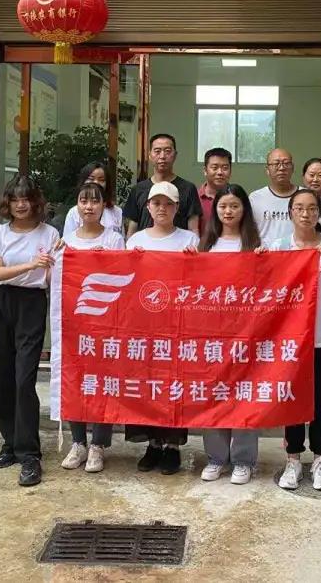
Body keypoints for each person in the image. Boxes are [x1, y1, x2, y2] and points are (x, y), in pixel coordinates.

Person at [272, 188, 321, 492]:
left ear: (319, 212)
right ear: (290, 212)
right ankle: (293, 458)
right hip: (290, 340)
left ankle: (319, 459)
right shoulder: (279, 246)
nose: (306, 214)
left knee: (320, 402)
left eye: (312, 208)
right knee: (292, 398)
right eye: (300, 208)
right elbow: (269, 291)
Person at [0, 175, 59, 487]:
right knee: (3, 376)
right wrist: (32, 264)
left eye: (26, 199)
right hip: (3, 301)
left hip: (32, 303)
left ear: (35, 202)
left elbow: (52, 276)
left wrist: (55, 263)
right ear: (7, 203)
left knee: (25, 378)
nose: (20, 204)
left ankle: (30, 453)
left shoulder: (50, 233)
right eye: (15, 199)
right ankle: (10, 443)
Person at [125, 181, 199, 474]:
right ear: (148, 207)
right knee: (147, 383)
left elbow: (199, 281)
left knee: (174, 384)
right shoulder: (135, 241)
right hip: (143, 325)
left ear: (177, 208)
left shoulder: (189, 240)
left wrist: (194, 262)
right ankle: (152, 443)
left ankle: (172, 446)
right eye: (156, 203)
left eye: (168, 204)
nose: (162, 209)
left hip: (177, 324)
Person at [54, 180, 126, 473]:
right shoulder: (66, 240)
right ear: (77, 205)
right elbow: (55, 281)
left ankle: (98, 444)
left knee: (103, 382)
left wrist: (103, 261)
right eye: (84, 201)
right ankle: (78, 442)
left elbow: (123, 274)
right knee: (75, 379)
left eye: (95, 201)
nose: (89, 207)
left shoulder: (114, 240)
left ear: (104, 206)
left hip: (105, 325)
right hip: (74, 325)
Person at [197, 184, 263, 485]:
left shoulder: (255, 245)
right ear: (215, 210)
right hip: (211, 334)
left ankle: (244, 460)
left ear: (244, 209)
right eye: (223, 206)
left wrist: (266, 260)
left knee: (244, 395)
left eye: (235, 206)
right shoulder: (205, 246)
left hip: (246, 333)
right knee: (214, 393)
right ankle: (216, 457)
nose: (228, 211)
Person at [122, 133, 201, 236]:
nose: (162, 156)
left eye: (167, 151)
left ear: (175, 155)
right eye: (157, 151)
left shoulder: (188, 188)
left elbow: (193, 229)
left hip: (178, 245)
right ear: (150, 155)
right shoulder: (138, 189)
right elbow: (132, 229)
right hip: (145, 246)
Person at [62, 161, 124, 238]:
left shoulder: (117, 211)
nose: (96, 182)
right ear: (83, 181)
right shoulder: (74, 213)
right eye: (91, 179)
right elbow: (67, 240)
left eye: (101, 180)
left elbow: (121, 240)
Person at [249, 147, 298, 243]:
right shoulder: (255, 198)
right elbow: (248, 231)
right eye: (276, 164)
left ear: (292, 168)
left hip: (297, 251)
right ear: (267, 169)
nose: (281, 168)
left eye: (286, 163)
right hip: (265, 251)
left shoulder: (306, 196)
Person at [197, 147, 233, 230]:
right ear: (205, 170)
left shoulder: (238, 199)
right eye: (214, 167)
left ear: (230, 171)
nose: (220, 172)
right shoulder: (194, 198)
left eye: (225, 168)